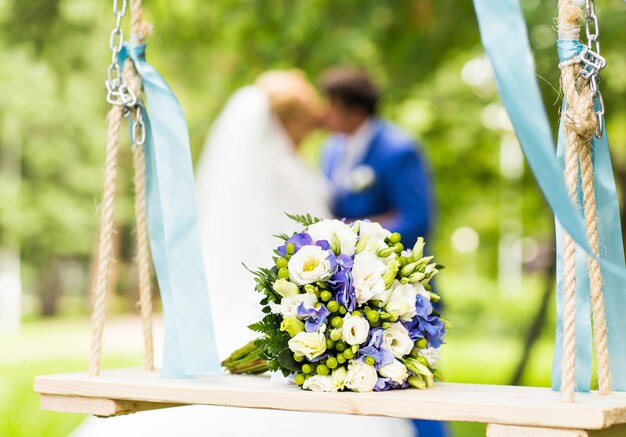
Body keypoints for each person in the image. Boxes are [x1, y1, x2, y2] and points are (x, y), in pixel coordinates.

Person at [71, 70, 414, 437]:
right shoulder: (285, 171)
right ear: (286, 121)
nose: (313, 130)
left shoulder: (259, 172)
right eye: (305, 122)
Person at [320, 67, 447, 437]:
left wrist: (356, 233)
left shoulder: (399, 148)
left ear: (353, 110)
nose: (324, 115)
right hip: (348, 288)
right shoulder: (330, 150)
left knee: (409, 376)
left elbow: (418, 217)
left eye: (330, 106)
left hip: (396, 288)